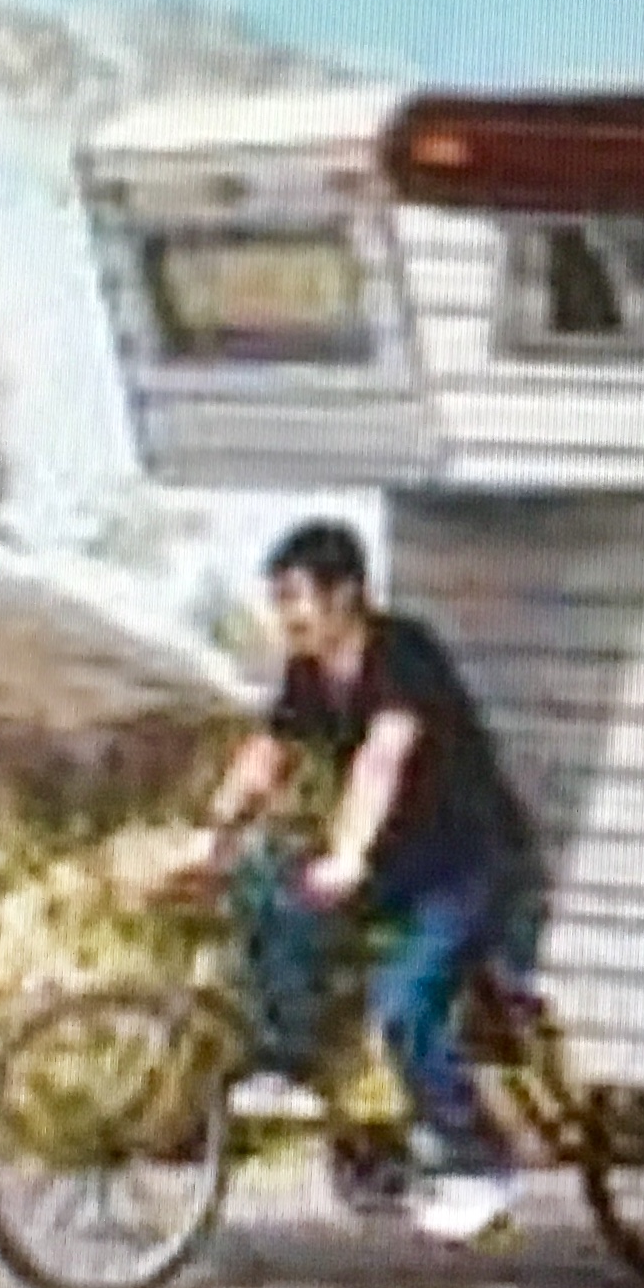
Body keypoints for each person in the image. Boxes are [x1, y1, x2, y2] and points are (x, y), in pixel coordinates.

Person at [193, 519, 545, 1243]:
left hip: (469, 864)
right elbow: (269, 752)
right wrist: (212, 830)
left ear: (345, 595)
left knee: (405, 1006)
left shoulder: (402, 655)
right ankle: (293, 1062)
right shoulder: (309, 671)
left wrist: (349, 854)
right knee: (267, 887)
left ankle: (480, 1160)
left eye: (295, 598)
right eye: (277, 599)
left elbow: (382, 759)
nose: (285, 615)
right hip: (402, 861)